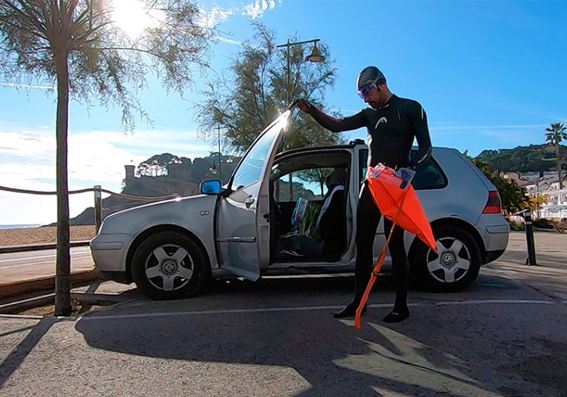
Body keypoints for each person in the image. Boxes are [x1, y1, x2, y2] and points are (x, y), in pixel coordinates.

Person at [297, 66, 432, 323]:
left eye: (367, 91)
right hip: (371, 185)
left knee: (395, 246)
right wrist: (311, 110)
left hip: (395, 185)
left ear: (381, 83)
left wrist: (410, 168)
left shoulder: (411, 108)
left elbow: (427, 147)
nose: (366, 98)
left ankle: (401, 306)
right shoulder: (368, 115)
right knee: (363, 245)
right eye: (361, 95)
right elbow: (338, 126)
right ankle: (359, 302)